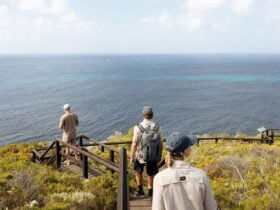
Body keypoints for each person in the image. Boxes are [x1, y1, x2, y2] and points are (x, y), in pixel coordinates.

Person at [152, 132, 217, 210]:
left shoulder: (159, 178)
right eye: (189, 146)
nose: (190, 148)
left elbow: (157, 208)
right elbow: (211, 207)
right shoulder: (201, 175)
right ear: (185, 151)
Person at [130, 106, 163, 197]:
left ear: (143, 115)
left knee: (138, 171)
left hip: (140, 155)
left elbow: (134, 144)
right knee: (151, 173)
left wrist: (132, 156)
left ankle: (140, 190)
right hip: (153, 155)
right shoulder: (157, 127)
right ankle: (150, 192)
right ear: (152, 115)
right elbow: (160, 143)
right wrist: (159, 155)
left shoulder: (138, 127)